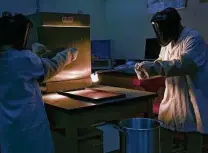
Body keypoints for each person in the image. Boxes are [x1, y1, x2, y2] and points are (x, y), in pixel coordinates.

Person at [0, 12, 78, 153]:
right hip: (29, 126)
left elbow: (26, 67)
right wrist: (68, 54)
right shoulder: (23, 58)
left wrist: (40, 54)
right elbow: (50, 68)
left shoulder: (8, 57)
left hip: (8, 126)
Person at [135, 7, 208, 153]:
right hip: (172, 97)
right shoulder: (168, 44)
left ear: (173, 26)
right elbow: (162, 61)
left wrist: (153, 67)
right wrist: (145, 70)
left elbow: (183, 64)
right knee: (164, 134)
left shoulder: (193, 39)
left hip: (192, 97)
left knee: (193, 137)